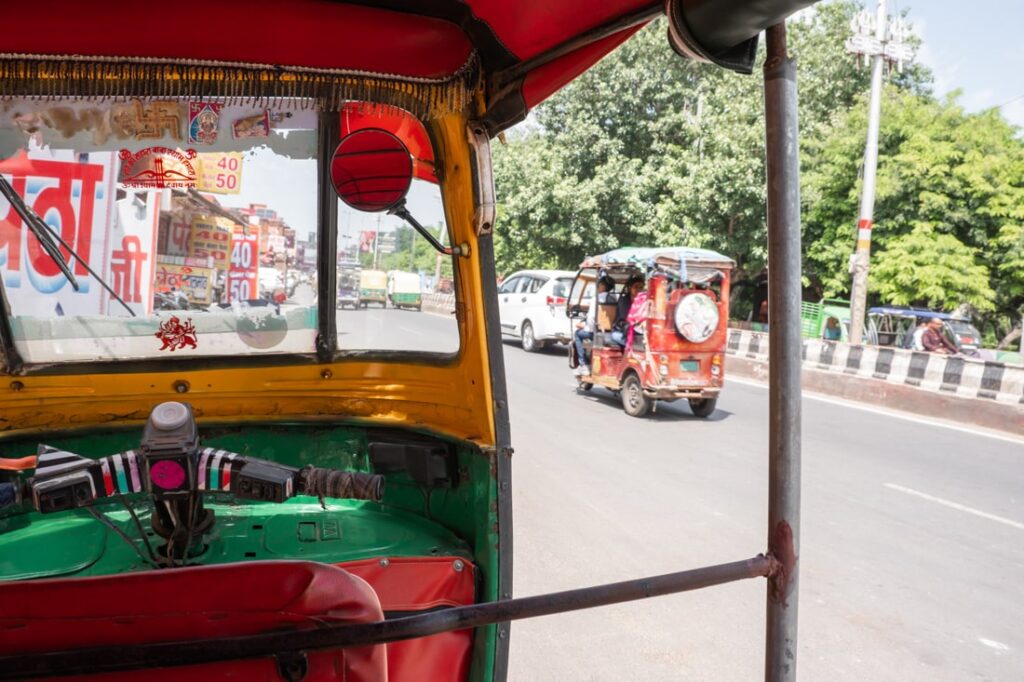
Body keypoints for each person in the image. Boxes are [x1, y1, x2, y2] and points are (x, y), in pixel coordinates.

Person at [573, 277, 612, 375]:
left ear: (602, 286)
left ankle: (583, 365)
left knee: (577, 334)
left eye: (598, 286)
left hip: (597, 333)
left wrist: (583, 326)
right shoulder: (614, 298)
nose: (598, 288)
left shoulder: (596, 299)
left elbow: (591, 321)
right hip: (611, 332)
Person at [609, 276, 644, 348]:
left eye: (641, 287)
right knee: (617, 336)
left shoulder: (643, 301)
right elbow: (627, 317)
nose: (639, 289)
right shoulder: (624, 300)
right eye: (636, 287)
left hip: (637, 331)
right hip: (621, 331)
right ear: (630, 288)